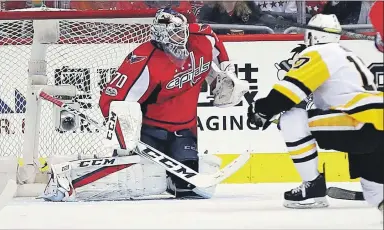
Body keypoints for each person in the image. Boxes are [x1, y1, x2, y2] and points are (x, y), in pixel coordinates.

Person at [40, 7, 249, 202]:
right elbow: (109, 100)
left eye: (183, 31)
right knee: (132, 178)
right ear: (161, 34)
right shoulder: (142, 61)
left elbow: (214, 40)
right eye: (175, 33)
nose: (182, 37)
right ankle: (64, 184)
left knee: (187, 188)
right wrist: (124, 132)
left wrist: (226, 70)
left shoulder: (200, 38)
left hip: (185, 129)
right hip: (150, 131)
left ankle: (168, 176)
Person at [247, 13, 383, 211]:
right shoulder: (348, 53)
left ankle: (313, 188)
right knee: (374, 189)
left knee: (292, 118)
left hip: (359, 121)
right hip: (377, 121)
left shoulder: (319, 52)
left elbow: (288, 93)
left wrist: (262, 111)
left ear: (312, 35)